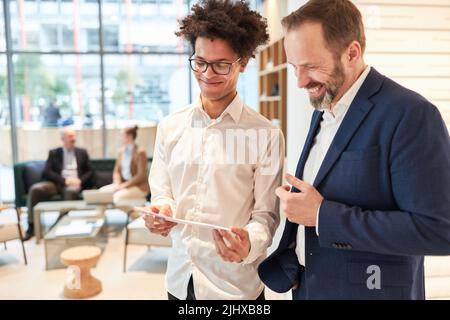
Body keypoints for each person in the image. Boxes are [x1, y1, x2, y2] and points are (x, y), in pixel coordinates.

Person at [258, 0, 450, 300]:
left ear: (352, 52)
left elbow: (438, 230)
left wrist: (322, 215)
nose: (299, 81)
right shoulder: (321, 110)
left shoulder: (411, 114)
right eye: (294, 67)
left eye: (310, 66)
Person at [144, 0, 284, 300]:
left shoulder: (266, 135)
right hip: (181, 281)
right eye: (200, 62)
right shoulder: (170, 127)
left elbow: (266, 216)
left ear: (243, 61)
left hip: (235, 287)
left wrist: (249, 243)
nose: (208, 73)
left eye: (221, 65)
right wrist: (162, 211)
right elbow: (163, 192)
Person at [24, 128, 94, 241]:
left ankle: (59, 223)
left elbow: (90, 171)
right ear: (63, 139)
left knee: (71, 191)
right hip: (56, 183)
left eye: (74, 136)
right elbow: (47, 171)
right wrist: (64, 180)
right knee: (36, 189)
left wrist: (80, 180)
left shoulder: (82, 152)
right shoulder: (54, 153)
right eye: (70, 136)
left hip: (74, 183)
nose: (74, 139)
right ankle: (32, 226)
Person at [100, 126, 150, 203]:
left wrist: (123, 186)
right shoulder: (121, 152)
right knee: (102, 192)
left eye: (121, 136)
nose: (120, 138)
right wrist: (117, 184)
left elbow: (141, 175)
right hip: (122, 184)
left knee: (117, 196)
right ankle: (101, 214)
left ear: (129, 136)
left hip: (139, 186)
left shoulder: (140, 152)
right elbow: (116, 171)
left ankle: (133, 213)